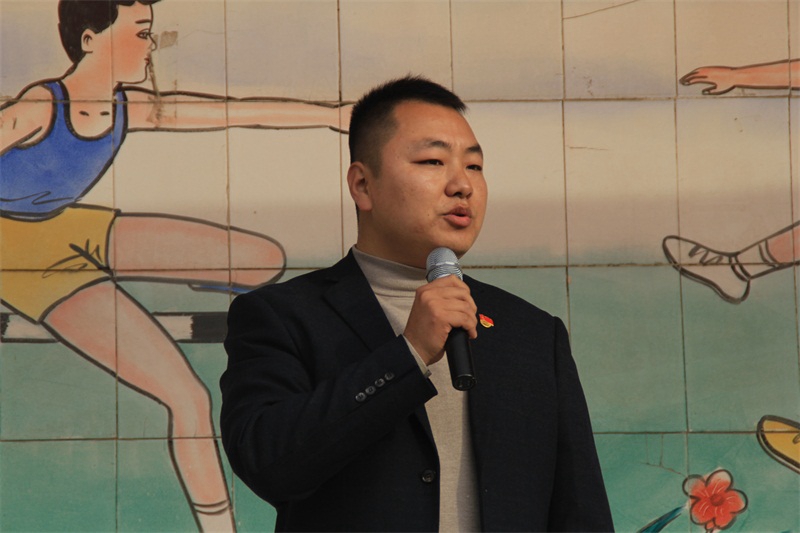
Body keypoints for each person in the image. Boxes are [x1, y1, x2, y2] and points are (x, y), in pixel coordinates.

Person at [1, 1, 347, 530]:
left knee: (261, 260)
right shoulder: (38, 108)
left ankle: (194, 298)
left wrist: (333, 116)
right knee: (187, 398)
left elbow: (237, 110)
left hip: (66, 227)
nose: (151, 46)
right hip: (17, 255)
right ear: (90, 40)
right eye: (141, 33)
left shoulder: (131, 107)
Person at [220, 76, 613, 532]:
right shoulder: (284, 316)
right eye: (433, 161)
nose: (461, 185)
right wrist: (408, 354)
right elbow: (268, 463)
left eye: (475, 166)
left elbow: (580, 512)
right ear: (363, 185)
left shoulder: (532, 333)